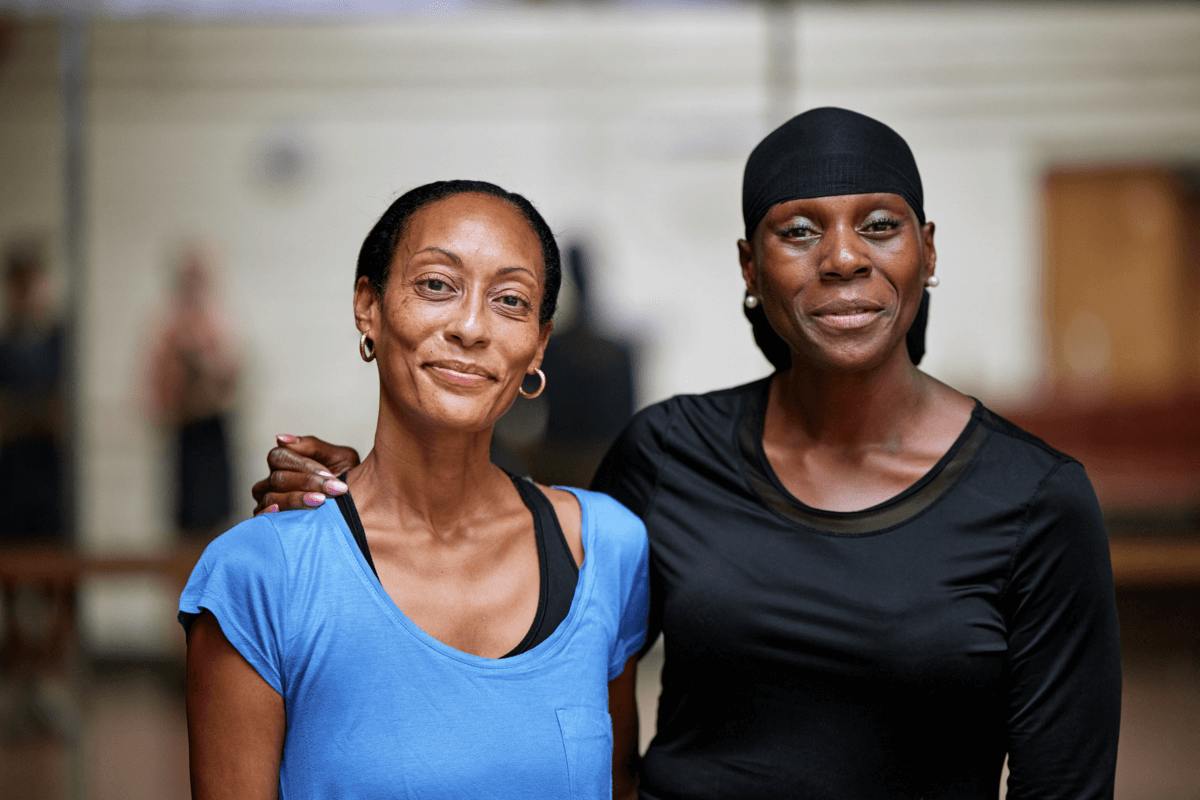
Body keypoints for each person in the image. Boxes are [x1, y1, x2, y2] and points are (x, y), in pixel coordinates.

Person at [252, 110, 1122, 799]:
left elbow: (1065, 786)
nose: (845, 258)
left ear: (928, 251)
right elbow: (517, 575)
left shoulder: (1033, 498)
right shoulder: (670, 454)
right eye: (799, 231)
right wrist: (367, 487)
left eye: (881, 226)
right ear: (749, 265)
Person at [181, 180, 649, 799]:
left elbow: (617, 782)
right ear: (368, 306)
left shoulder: (604, 549)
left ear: (538, 344)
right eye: (436, 285)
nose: (471, 325)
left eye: (510, 300)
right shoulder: (262, 574)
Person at [144, 244, 240, 538]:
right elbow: (158, 399)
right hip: (185, 435)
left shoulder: (221, 324)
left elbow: (231, 381)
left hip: (214, 432)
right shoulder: (167, 331)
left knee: (222, 528)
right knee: (186, 531)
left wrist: (201, 366)